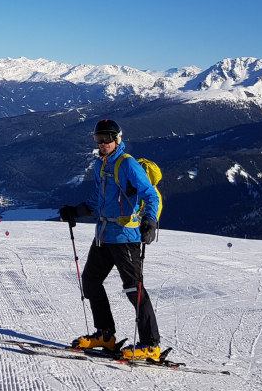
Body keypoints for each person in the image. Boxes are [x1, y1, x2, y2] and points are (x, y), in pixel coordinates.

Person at [59, 119, 162, 362]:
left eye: (107, 138)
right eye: (98, 139)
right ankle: (106, 334)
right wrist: (76, 210)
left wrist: (150, 222)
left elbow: (149, 194)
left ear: (117, 139)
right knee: (90, 282)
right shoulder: (100, 165)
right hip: (103, 236)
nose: (102, 143)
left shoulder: (128, 165)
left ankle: (151, 345)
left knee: (133, 290)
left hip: (126, 238)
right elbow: (98, 199)